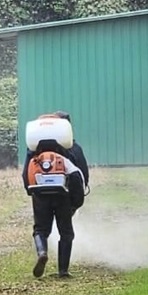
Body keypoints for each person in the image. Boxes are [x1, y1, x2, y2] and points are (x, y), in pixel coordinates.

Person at [21, 112, 89, 278]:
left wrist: (31, 191)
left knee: (41, 229)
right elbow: (82, 175)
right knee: (66, 232)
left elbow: (26, 173)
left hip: (39, 191)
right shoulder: (72, 147)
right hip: (63, 195)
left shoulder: (34, 149)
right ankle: (63, 271)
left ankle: (42, 253)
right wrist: (76, 202)